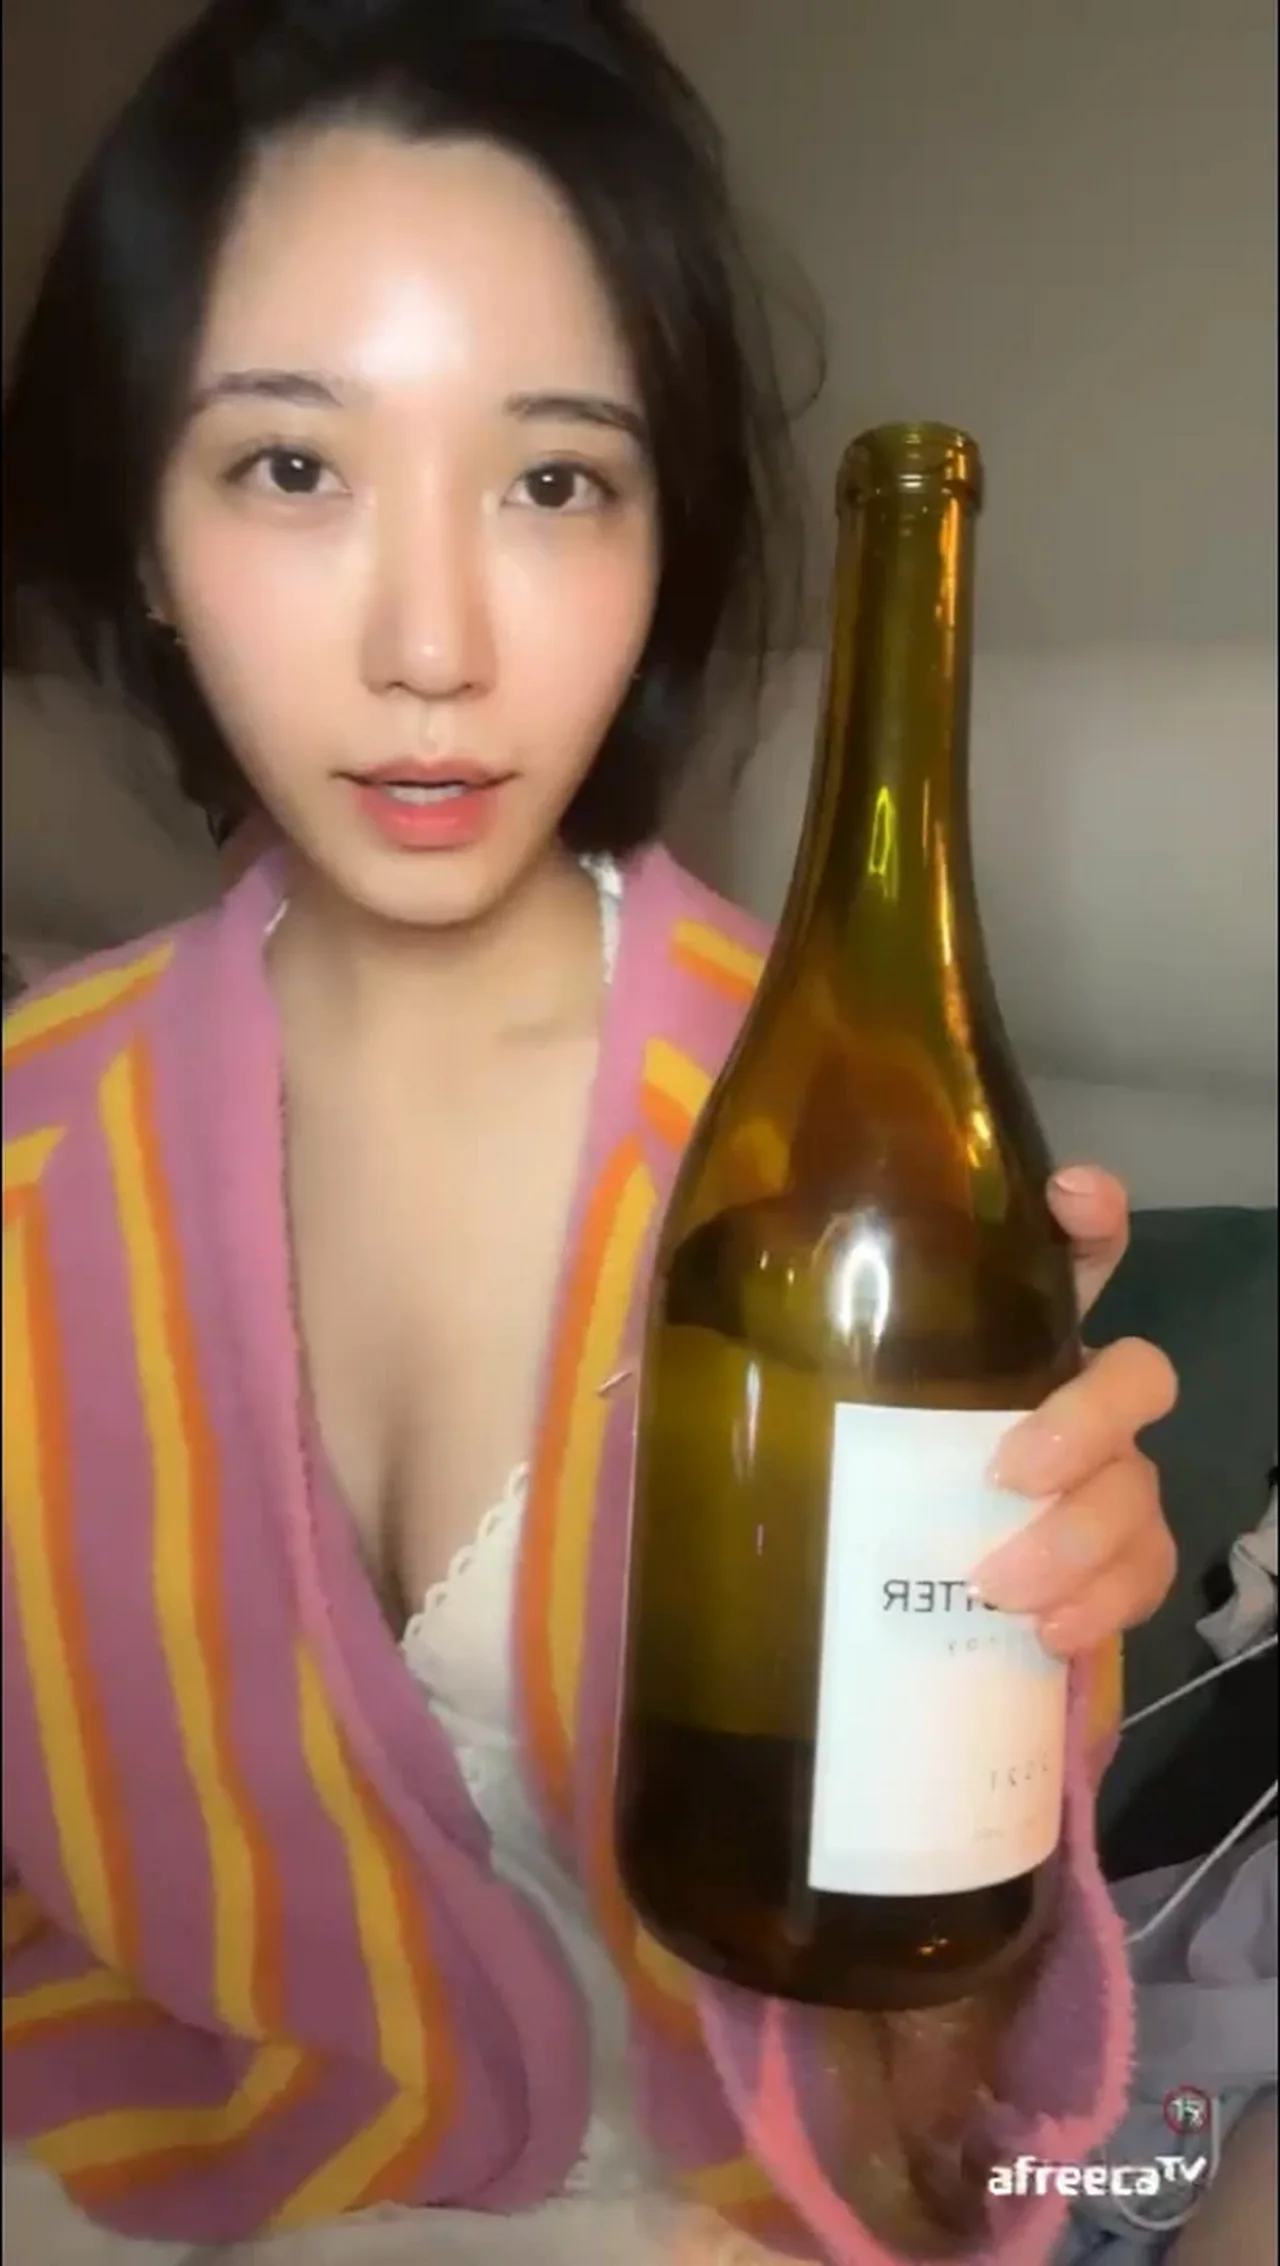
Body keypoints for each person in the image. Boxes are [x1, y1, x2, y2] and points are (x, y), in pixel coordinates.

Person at [1, 4, 1179, 2262]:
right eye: (289, 466)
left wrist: (1008, 1707)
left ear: (663, 542)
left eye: (553, 482)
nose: (431, 646)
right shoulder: (30, 1153)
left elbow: (938, 2120)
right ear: (143, 531)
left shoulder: (829, 1142)